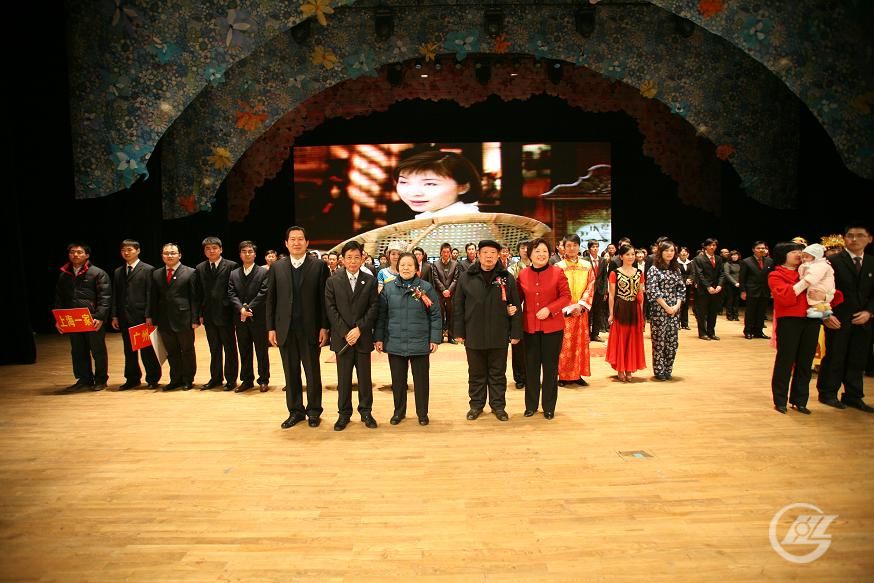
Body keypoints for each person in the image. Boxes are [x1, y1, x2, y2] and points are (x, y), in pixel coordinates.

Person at [266, 226, 331, 429]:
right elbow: (271, 299)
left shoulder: (319, 266)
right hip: (285, 329)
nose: (296, 242)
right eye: (292, 239)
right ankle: (295, 411)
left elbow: (324, 300)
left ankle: (314, 411)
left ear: (307, 242)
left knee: (312, 372)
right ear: (286, 243)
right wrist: (271, 328)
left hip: (311, 329)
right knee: (291, 372)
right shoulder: (277, 267)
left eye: (300, 239)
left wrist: (324, 327)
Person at [453, 240, 523, 421]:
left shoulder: (506, 277)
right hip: (474, 333)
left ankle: (498, 406)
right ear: (478, 254)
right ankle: (476, 406)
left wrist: (516, 332)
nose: (489, 256)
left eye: (493, 253)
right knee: (476, 373)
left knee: (498, 374)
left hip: (499, 333)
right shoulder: (466, 277)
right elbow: (458, 306)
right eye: (485, 252)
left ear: (499, 255)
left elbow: (515, 305)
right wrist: (458, 332)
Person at [375, 252, 442, 426]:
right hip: (395, 342)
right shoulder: (388, 288)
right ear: (398, 267)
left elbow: (435, 314)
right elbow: (381, 316)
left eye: (409, 265)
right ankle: (399, 412)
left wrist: (435, 338)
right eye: (403, 265)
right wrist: (379, 338)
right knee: (398, 382)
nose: (406, 268)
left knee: (421, 382)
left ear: (416, 268)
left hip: (420, 342)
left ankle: (422, 413)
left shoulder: (425, 288)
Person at [817, 225, 874, 413]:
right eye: (850, 236)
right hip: (837, 318)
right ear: (844, 239)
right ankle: (828, 393)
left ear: (869, 239)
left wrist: (869, 312)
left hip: (863, 320)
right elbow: (818, 290)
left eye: (860, 236)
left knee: (858, 358)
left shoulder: (871, 262)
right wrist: (826, 314)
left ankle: (853, 395)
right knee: (835, 356)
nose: (854, 239)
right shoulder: (831, 262)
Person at [325, 241, 380, 430]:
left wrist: (359, 329)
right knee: (343, 379)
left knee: (365, 378)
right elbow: (330, 309)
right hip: (342, 339)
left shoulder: (370, 280)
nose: (353, 261)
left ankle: (366, 412)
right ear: (342, 259)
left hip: (362, 337)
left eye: (357, 257)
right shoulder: (333, 280)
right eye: (349, 257)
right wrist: (345, 332)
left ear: (363, 258)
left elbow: (374, 307)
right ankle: (344, 414)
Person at [516, 238, 571, 419]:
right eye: (537, 251)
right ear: (530, 254)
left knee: (550, 369)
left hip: (552, 328)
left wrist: (550, 309)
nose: (541, 254)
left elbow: (566, 297)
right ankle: (531, 405)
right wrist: (511, 308)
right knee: (531, 368)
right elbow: (517, 298)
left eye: (545, 251)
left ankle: (549, 407)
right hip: (529, 328)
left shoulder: (558, 272)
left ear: (550, 254)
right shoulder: (523, 274)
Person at [767, 241, 822, 414]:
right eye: (793, 252)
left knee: (805, 361)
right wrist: (806, 281)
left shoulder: (810, 270)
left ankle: (800, 400)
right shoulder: (776, 274)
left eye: (800, 251)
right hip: (789, 321)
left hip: (811, 319)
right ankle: (780, 399)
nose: (799, 254)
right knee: (786, 360)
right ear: (783, 255)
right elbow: (785, 297)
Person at [55, 243, 112, 391]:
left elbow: (105, 297)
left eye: (79, 252)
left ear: (87, 255)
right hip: (73, 318)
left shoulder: (97, 273)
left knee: (97, 350)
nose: (75, 255)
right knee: (78, 350)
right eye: (72, 252)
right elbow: (59, 298)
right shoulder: (64, 274)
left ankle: (101, 380)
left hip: (92, 318)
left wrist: (100, 317)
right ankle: (84, 379)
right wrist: (59, 319)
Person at [146, 243, 200, 391]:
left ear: (179, 255)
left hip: (184, 318)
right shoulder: (156, 274)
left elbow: (195, 298)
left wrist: (195, 318)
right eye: (166, 253)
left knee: (187, 350)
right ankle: (175, 379)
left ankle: (188, 379)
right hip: (164, 319)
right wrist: (150, 316)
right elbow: (153, 297)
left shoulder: (190, 272)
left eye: (173, 253)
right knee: (171, 351)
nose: (169, 256)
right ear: (162, 256)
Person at [111, 239, 160, 390]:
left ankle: (152, 379)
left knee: (147, 350)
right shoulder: (118, 271)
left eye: (129, 250)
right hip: (124, 316)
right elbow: (115, 295)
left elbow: (150, 294)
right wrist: (114, 315)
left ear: (138, 251)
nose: (126, 253)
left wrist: (149, 315)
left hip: (141, 316)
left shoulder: (148, 269)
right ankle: (132, 379)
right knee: (129, 350)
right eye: (123, 250)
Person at [196, 237, 239, 390]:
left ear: (221, 249)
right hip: (208, 314)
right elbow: (198, 293)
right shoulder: (200, 268)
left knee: (230, 348)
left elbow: (234, 290)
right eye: (208, 249)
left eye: (214, 248)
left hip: (226, 314)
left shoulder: (231, 266)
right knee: (214, 349)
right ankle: (215, 378)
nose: (211, 251)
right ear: (204, 251)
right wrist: (199, 314)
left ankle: (231, 379)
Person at [228, 241, 270, 392]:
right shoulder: (234, 273)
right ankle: (247, 380)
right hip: (241, 318)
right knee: (244, 349)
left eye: (250, 251)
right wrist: (241, 309)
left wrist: (248, 308)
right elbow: (231, 293)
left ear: (255, 254)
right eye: (244, 251)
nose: (247, 254)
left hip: (258, 318)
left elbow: (264, 292)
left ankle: (263, 379)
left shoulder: (263, 272)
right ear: (240, 254)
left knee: (261, 350)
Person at [393, 150, 481, 218]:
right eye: (404, 182)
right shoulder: (430, 216)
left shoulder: (463, 223)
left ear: (463, 187)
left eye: (430, 184)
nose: (414, 193)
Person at [556, 234, 594, 387]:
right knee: (564, 344)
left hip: (581, 311)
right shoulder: (558, 267)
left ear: (579, 247)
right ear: (563, 248)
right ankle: (563, 375)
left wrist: (581, 305)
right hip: (564, 312)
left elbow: (591, 286)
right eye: (568, 246)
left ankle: (577, 374)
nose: (572, 248)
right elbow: (556, 290)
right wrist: (567, 307)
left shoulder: (587, 266)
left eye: (575, 245)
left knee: (580, 343)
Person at [606, 244, 646, 382]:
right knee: (621, 339)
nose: (631, 257)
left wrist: (641, 314)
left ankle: (629, 369)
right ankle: (620, 369)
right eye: (627, 254)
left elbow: (640, 295)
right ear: (621, 256)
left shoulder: (639, 273)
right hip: (620, 308)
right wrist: (611, 313)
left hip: (634, 309)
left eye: (632, 254)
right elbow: (611, 295)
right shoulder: (615, 273)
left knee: (632, 339)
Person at [646, 241, 686, 381]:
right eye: (666, 251)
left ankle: (668, 369)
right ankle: (659, 370)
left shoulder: (676, 269)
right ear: (660, 252)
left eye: (672, 251)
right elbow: (652, 290)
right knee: (659, 341)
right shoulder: (654, 269)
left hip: (674, 310)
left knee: (672, 342)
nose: (669, 253)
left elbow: (681, 288)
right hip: (659, 310)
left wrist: (677, 305)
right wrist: (667, 307)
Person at [692, 238, 725, 340]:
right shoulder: (698, 259)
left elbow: (722, 273)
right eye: (710, 245)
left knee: (713, 312)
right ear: (705, 246)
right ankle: (702, 333)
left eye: (714, 245)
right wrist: (708, 286)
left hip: (716, 289)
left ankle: (711, 332)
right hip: (703, 289)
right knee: (702, 312)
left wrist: (720, 285)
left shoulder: (719, 258)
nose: (712, 247)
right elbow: (700, 274)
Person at [740, 241, 773, 339]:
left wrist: (772, 290)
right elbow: (742, 278)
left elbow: (771, 277)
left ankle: (759, 331)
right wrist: (743, 291)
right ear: (753, 249)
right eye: (758, 248)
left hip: (765, 290)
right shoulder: (746, 261)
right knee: (750, 312)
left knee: (761, 312)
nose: (761, 250)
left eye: (763, 248)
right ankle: (748, 331)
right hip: (751, 290)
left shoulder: (770, 261)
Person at [509, 240, 531, 389]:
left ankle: (532, 377)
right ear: (518, 250)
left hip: (534, 312)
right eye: (522, 248)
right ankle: (519, 377)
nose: (525, 250)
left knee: (533, 347)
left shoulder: (537, 266)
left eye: (528, 248)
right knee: (518, 346)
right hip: (518, 311)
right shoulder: (512, 268)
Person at [432, 242, 461, 344]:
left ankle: (451, 337)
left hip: (451, 294)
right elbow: (435, 278)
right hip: (439, 294)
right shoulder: (435, 264)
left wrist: (449, 290)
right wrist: (443, 290)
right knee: (439, 315)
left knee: (451, 316)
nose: (445, 254)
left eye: (447, 252)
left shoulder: (455, 264)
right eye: (444, 252)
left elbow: (456, 279)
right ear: (440, 252)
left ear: (450, 252)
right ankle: (439, 337)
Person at [798, 244, 835, 318]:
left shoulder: (818, 266)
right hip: (800, 312)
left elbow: (810, 279)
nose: (804, 259)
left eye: (807, 257)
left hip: (819, 291)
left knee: (813, 293)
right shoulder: (805, 266)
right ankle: (825, 308)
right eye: (802, 257)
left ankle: (818, 310)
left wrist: (826, 297)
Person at [582, 239, 609, 342]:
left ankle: (595, 334)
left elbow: (604, 277)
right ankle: (587, 334)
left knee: (598, 313)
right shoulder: (584, 260)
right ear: (589, 249)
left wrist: (605, 291)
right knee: (588, 314)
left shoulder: (603, 260)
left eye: (597, 246)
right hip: (588, 291)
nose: (595, 248)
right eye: (593, 247)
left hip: (600, 291)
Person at [722, 250, 742, 321]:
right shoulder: (727, 264)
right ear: (730, 256)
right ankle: (729, 315)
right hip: (729, 285)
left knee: (737, 301)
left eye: (736, 255)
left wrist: (740, 283)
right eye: (733, 255)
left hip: (739, 285)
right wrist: (735, 283)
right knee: (730, 300)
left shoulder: (740, 263)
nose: (734, 256)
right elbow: (727, 274)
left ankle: (736, 315)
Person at [677, 247, 694, 330]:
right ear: (679, 254)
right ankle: (677, 324)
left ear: (688, 254)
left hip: (688, 286)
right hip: (678, 286)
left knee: (686, 304)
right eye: (682, 252)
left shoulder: (690, 263)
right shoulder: (676, 263)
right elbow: (677, 274)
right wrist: (684, 280)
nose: (684, 253)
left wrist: (690, 279)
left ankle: (685, 324)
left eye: (685, 252)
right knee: (678, 304)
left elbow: (693, 273)